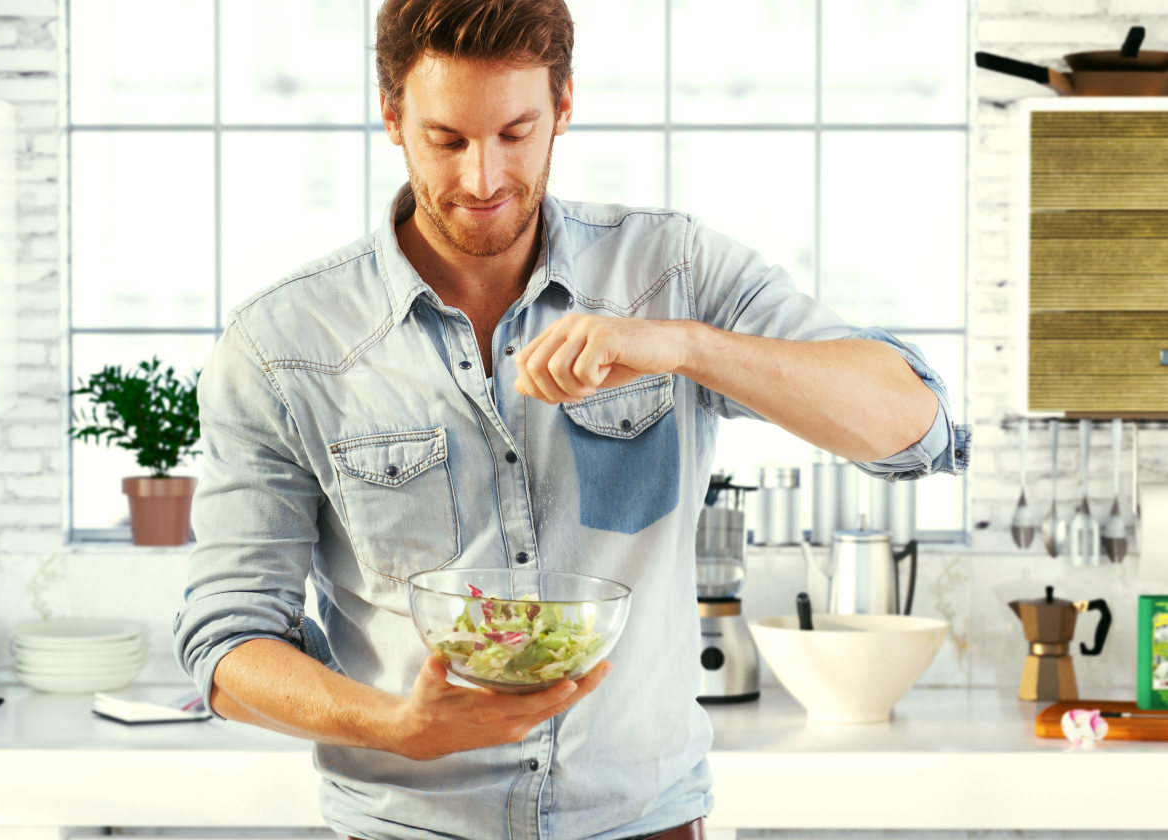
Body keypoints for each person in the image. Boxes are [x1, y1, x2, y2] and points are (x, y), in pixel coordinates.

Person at [174, 1, 969, 838]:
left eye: (516, 133)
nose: (483, 179)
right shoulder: (282, 344)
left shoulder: (673, 274)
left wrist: (687, 347)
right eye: (447, 140)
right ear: (391, 118)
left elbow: (914, 425)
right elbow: (226, 646)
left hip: (646, 824)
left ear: (563, 108)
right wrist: (397, 728)